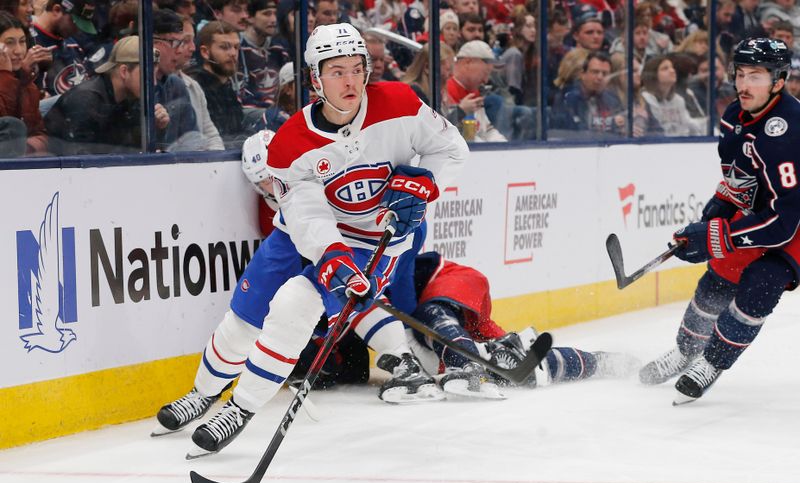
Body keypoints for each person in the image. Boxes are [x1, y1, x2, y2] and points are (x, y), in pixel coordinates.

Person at [152, 23, 469, 455]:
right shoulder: (290, 145)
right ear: (315, 79)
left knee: (295, 306)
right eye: (337, 71)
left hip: (372, 239)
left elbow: (451, 149)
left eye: (358, 69)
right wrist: (331, 253)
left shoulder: (399, 103)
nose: (351, 80)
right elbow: (305, 213)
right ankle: (204, 393)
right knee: (242, 323)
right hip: (300, 235)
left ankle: (240, 409)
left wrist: (424, 184)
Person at [639, 38, 800, 404]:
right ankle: (684, 351)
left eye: (755, 76)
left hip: (794, 221)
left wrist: (717, 236)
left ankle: (712, 362)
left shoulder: (789, 133)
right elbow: (739, 184)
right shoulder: (733, 117)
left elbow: (784, 222)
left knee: (762, 281)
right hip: (770, 212)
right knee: (719, 276)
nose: (743, 85)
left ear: (778, 81)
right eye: (740, 74)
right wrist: (715, 215)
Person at [398, 251, 639, 399]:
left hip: (451, 281)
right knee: (513, 367)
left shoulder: (387, 261)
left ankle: (467, 362)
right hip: (457, 322)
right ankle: (600, 361)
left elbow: (404, 302)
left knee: (429, 315)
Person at [44, 35, 169, 155]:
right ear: (124, 71)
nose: (153, 82)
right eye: (147, 74)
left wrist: (156, 127)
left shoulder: (131, 99)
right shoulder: (85, 101)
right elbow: (78, 160)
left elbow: (134, 149)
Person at [191, 20, 253, 149]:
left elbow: (237, 129)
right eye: (224, 47)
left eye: (236, 47)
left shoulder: (226, 84)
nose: (233, 53)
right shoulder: (196, 86)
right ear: (205, 52)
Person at [152, 8, 201, 151]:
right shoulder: (133, 87)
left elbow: (192, 142)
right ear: (152, 43)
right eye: (174, 43)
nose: (180, 51)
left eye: (181, 44)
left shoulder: (176, 85)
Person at [0, 11, 46, 156]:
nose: (19, 51)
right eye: (9, 43)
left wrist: (25, 147)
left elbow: (41, 135)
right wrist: (5, 76)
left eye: (22, 41)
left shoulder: (28, 86)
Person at [549, 51, 625, 138]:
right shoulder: (568, 98)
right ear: (583, 74)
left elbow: (622, 129)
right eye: (595, 72)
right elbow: (572, 133)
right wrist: (611, 125)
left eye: (605, 73)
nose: (600, 77)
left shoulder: (612, 99)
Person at [176, 14, 224, 150]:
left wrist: (217, 163)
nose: (192, 48)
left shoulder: (193, 86)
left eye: (193, 41)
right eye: (185, 41)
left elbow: (211, 135)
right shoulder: (149, 88)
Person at [29, 0, 96, 97]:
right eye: (75, 23)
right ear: (56, 10)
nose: (78, 30)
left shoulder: (73, 44)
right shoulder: (29, 42)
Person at [446, 39, 506, 142]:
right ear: (467, 63)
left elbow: (486, 131)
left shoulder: (474, 92)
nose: (486, 80)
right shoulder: (444, 91)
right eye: (484, 73)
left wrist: (505, 146)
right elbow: (442, 133)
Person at [239, 0, 289, 109]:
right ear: (250, 17)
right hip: (249, 110)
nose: (273, 20)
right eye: (267, 14)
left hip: (276, 110)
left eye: (275, 14)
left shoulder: (280, 48)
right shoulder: (238, 47)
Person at [640, 55, 705, 137]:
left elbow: (688, 124)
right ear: (653, 75)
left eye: (672, 67)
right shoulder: (646, 99)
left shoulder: (678, 100)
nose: (672, 71)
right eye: (665, 69)